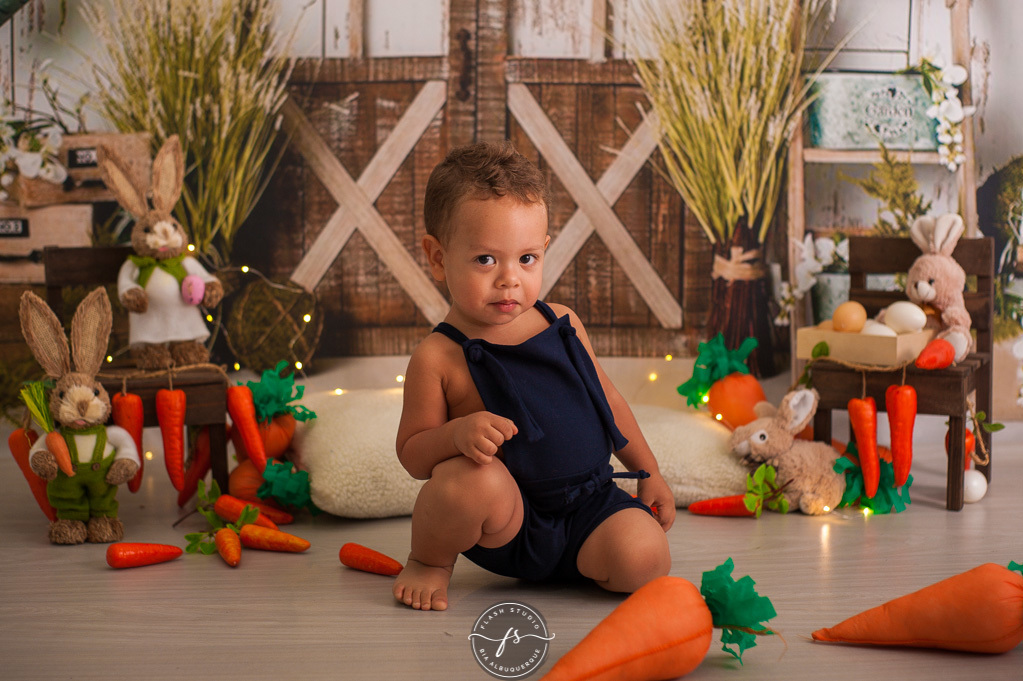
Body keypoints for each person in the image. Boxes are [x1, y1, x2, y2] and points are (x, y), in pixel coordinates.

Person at [393, 141, 675, 611]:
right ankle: (429, 561)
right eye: (486, 259)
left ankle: (589, 557)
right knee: (471, 481)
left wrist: (648, 471)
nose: (509, 279)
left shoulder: (562, 324)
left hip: (589, 504)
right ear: (438, 257)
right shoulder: (438, 357)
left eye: (526, 259)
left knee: (647, 560)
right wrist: (456, 435)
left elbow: (609, 404)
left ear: (544, 250)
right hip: (509, 522)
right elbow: (412, 456)